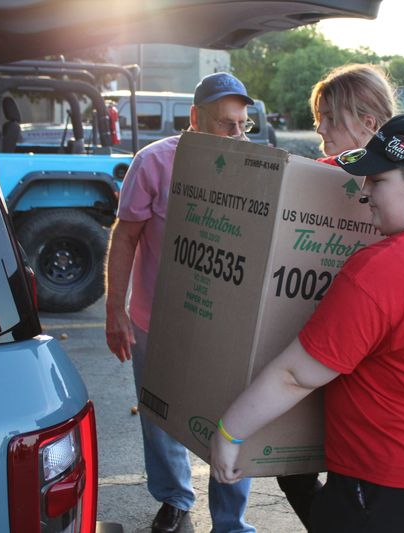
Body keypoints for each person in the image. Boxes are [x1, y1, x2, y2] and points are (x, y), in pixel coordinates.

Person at [210, 114, 404, 533]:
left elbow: (295, 375)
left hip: (388, 487)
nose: (364, 192)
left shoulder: (380, 270)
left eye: (378, 181)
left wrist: (229, 431)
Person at [105, 72, 257, 533]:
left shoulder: (254, 166)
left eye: (242, 125)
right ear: (195, 119)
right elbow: (126, 235)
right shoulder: (153, 162)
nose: (236, 135)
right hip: (156, 318)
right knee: (159, 416)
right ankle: (174, 498)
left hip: (223, 325)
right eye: (224, 125)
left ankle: (230, 521)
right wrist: (115, 308)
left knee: (231, 421)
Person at [275, 62, 398, 531]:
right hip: (316, 351)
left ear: (367, 122)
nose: (318, 127)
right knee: (294, 470)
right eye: (318, 115)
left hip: (373, 374)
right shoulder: (322, 175)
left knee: (354, 486)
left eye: (329, 116)